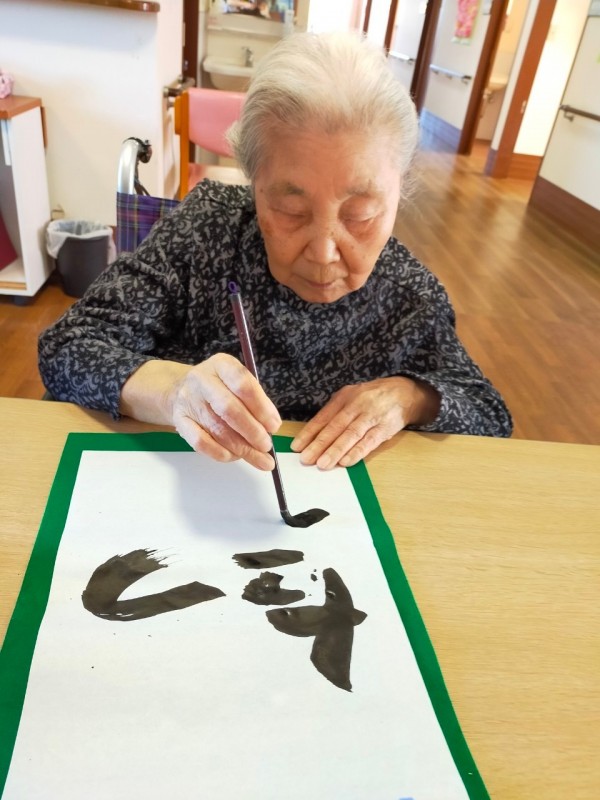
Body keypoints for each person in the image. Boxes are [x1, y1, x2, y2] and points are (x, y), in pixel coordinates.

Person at [39, 31, 512, 473]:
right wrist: (173, 391)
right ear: (253, 185)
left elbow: (488, 412)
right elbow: (67, 347)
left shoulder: (410, 295)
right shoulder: (208, 229)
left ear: (400, 189)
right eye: (291, 210)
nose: (324, 253)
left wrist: (410, 397)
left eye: (360, 214)